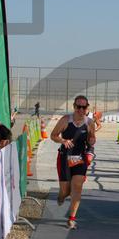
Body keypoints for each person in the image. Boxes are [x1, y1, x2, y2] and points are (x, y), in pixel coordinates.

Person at [51, 95, 96, 229]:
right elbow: (53, 135)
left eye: (84, 107)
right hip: (64, 158)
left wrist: (92, 141)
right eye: (78, 107)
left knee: (77, 187)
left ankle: (71, 219)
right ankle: (61, 196)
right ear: (74, 107)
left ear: (87, 108)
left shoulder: (90, 122)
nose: (81, 110)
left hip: (80, 158)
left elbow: (92, 139)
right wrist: (63, 140)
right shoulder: (65, 120)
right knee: (65, 191)